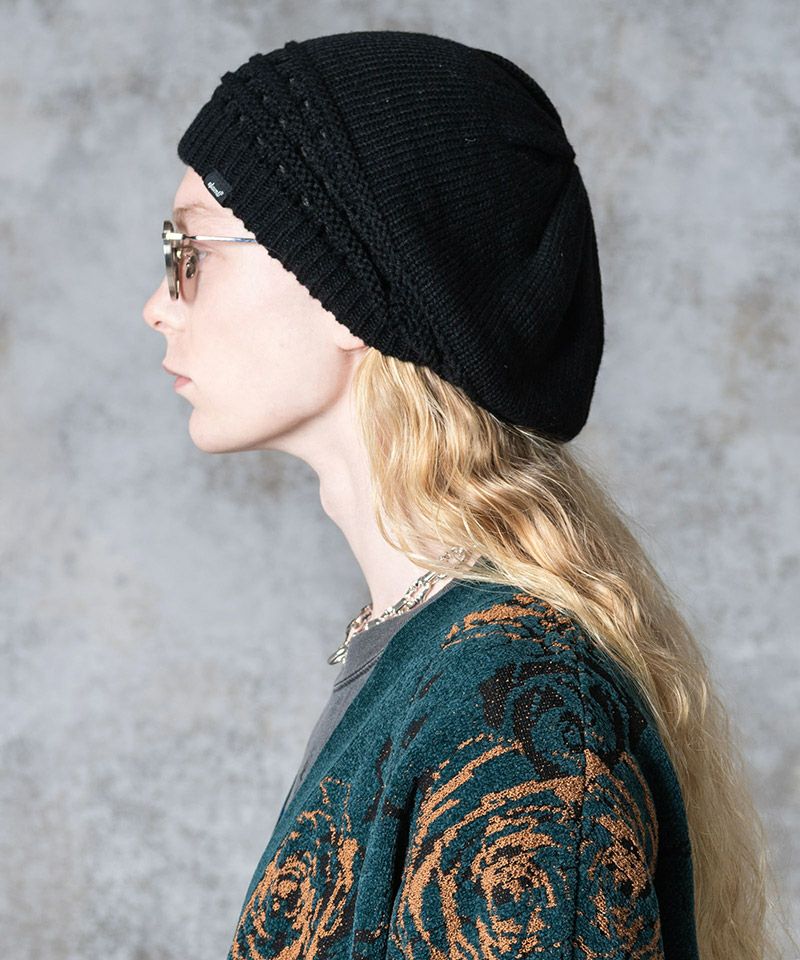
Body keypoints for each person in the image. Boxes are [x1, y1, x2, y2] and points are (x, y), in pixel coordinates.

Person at [142, 30, 790, 960]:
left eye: (189, 248)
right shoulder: (434, 664)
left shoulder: (517, 718)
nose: (159, 304)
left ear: (340, 285)